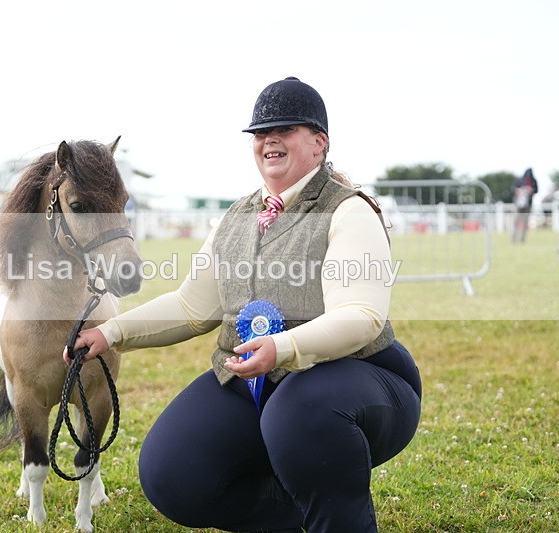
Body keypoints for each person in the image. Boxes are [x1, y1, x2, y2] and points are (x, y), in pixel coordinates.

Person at [68, 76, 422, 532]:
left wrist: (282, 348)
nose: (269, 139)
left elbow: (361, 317)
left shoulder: (350, 211)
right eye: (260, 132)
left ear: (319, 143)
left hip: (362, 378)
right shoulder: (235, 217)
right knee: (170, 472)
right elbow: (192, 308)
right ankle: (296, 520)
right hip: (257, 375)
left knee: (298, 411)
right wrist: (109, 333)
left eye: (286, 128)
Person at [512, 167, 538, 243]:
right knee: (516, 221)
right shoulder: (519, 180)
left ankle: (522, 239)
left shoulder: (533, 181)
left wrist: (531, 190)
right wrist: (518, 191)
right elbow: (513, 188)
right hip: (518, 204)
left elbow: (536, 190)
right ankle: (514, 238)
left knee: (525, 222)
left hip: (528, 204)